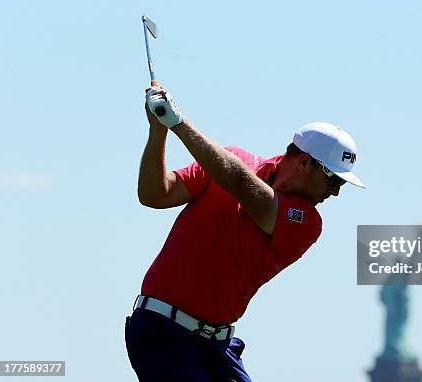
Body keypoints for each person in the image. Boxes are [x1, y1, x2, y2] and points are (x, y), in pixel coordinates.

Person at [124, 85, 365, 382]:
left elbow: (241, 185)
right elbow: (154, 194)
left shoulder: (307, 223)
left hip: (216, 346)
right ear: (304, 162)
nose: (335, 193)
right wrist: (159, 130)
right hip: (162, 330)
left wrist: (179, 124)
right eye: (333, 181)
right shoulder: (228, 161)